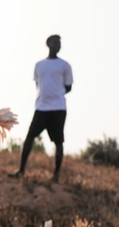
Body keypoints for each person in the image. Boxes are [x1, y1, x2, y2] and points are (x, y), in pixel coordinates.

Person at [10, 34, 73, 182]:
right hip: (41, 107)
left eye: (59, 43)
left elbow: (68, 86)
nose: (58, 45)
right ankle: (21, 170)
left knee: (58, 141)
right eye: (55, 42)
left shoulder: (65, 65)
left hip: (58, 108)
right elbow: (38, 84)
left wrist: (56, 93)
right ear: (48, 44)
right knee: (30, 137)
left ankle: (56, 174)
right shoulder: (39, 65)